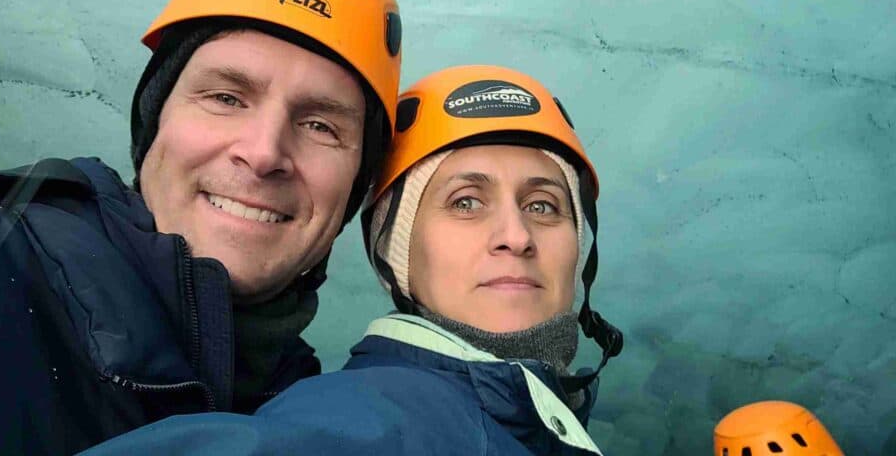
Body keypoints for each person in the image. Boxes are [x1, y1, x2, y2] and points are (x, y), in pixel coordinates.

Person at [0, 0, 401, 455]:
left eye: (320, 126)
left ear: (355, 189)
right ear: (154, 123)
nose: (263, 153)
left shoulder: (325, 426)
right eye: (225, 97)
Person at [79, 64, 623, 456]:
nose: (516, 235)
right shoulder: (382, 417)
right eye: (465, 202)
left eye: (543, 206)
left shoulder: (509, 420)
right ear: (394, 252)